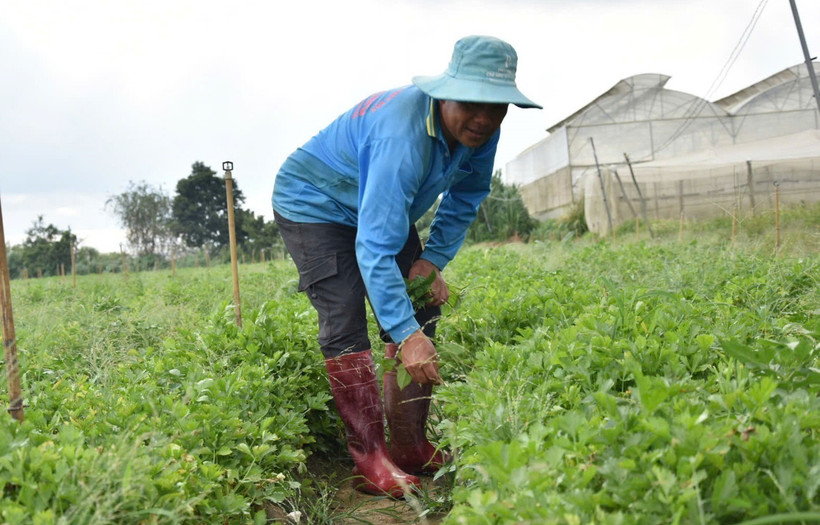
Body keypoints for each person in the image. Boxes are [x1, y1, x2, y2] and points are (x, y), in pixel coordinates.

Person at [272, 35, 541, 498]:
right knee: (344, 316)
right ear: (445, 93)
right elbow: (374, 249)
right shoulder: (401, 135)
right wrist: (405, 334)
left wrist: (430, 261)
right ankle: (369, 460)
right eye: (473, 103)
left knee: (420, 303)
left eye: (497, 107)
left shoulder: (480, 134)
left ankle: (411, 444)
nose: (484, 118)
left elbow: (465, 197)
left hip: (377, 205)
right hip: (315, 204)